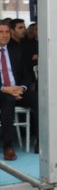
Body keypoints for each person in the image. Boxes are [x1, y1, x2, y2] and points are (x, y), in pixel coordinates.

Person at [0, 20, 38, 159]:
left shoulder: (15, 50)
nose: (4, 35)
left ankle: (40, 141)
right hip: (2, 92)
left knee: (38, 98)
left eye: (7, 32)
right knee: (8, 100)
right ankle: (8, 146)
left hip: (17, 90)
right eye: (1, 32)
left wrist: (21, 88)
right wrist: (5, 89)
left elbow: (27, 75)